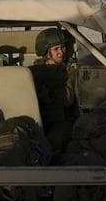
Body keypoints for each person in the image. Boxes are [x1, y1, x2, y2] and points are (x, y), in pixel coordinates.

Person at [28, 28, 78, 156]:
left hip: (60, 122)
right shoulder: (33, 72)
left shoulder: (69, 71)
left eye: (63, 48)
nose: (61, 52)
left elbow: (67, 99)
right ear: (46, 51)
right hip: (36, 121)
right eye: (56, 49)